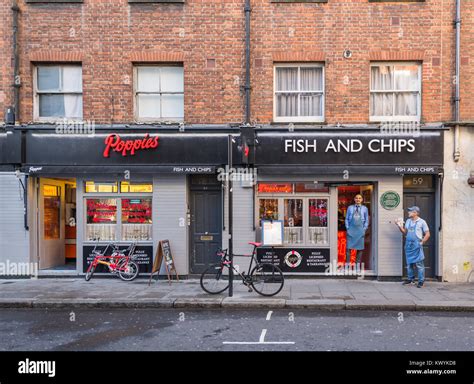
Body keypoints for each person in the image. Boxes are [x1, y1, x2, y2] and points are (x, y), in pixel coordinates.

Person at [395, 206, 430, 288]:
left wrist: (422, 242)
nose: (408, 212)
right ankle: (411, 280)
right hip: (408, 245)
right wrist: (399, 226)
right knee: (409, 264)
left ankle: (421, 281)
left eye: (410, 211)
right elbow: (405, 232)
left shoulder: (422, 222)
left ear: (416, 213)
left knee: (419, 264)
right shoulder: (408, 221)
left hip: (417, 245)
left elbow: (427, 234)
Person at [345, 194, 369, 268]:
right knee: (348, 249)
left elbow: (366, 220)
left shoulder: (365, 208)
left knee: (360, 249)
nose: (358, 199)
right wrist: (348, 228)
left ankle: (356, 266)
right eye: (356, 198)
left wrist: (364, 229)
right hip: (351, 230)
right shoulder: (350, 208)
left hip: (360, 230)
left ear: (362, 200)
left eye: (359, 198)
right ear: (354, 199)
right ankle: (348, 266)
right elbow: (346, 219)